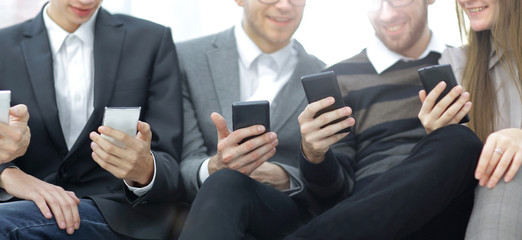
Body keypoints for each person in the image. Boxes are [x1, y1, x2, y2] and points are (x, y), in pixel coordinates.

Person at [180, 0, 482, 239]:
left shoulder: (470, 64)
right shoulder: (338, 77)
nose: (387, 14)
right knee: (226, 181)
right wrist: (314, 154)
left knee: (457, 139)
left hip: (441, 210)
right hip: (360, 215)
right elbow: (333, 195)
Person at [0, 0, 183, 239]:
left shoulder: (151, 40)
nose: (86, 1)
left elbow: (170, 165)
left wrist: (144, 170)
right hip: (23, 206)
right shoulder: (3, 47)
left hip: (117, 214)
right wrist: (7, 173)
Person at [178, 0, 324, 238]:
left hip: (281, 213)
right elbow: (181, 160)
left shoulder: (322, 76)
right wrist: (215, 167)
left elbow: (333, 177)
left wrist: (284, 177)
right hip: (204, 209)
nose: (285, 6)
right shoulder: (185, 58)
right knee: (225, 181)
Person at [417, 0, 522, 239]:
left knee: (506, 167)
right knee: (497, 169)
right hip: (482, 206)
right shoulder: (455, 63)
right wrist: (442, 138)